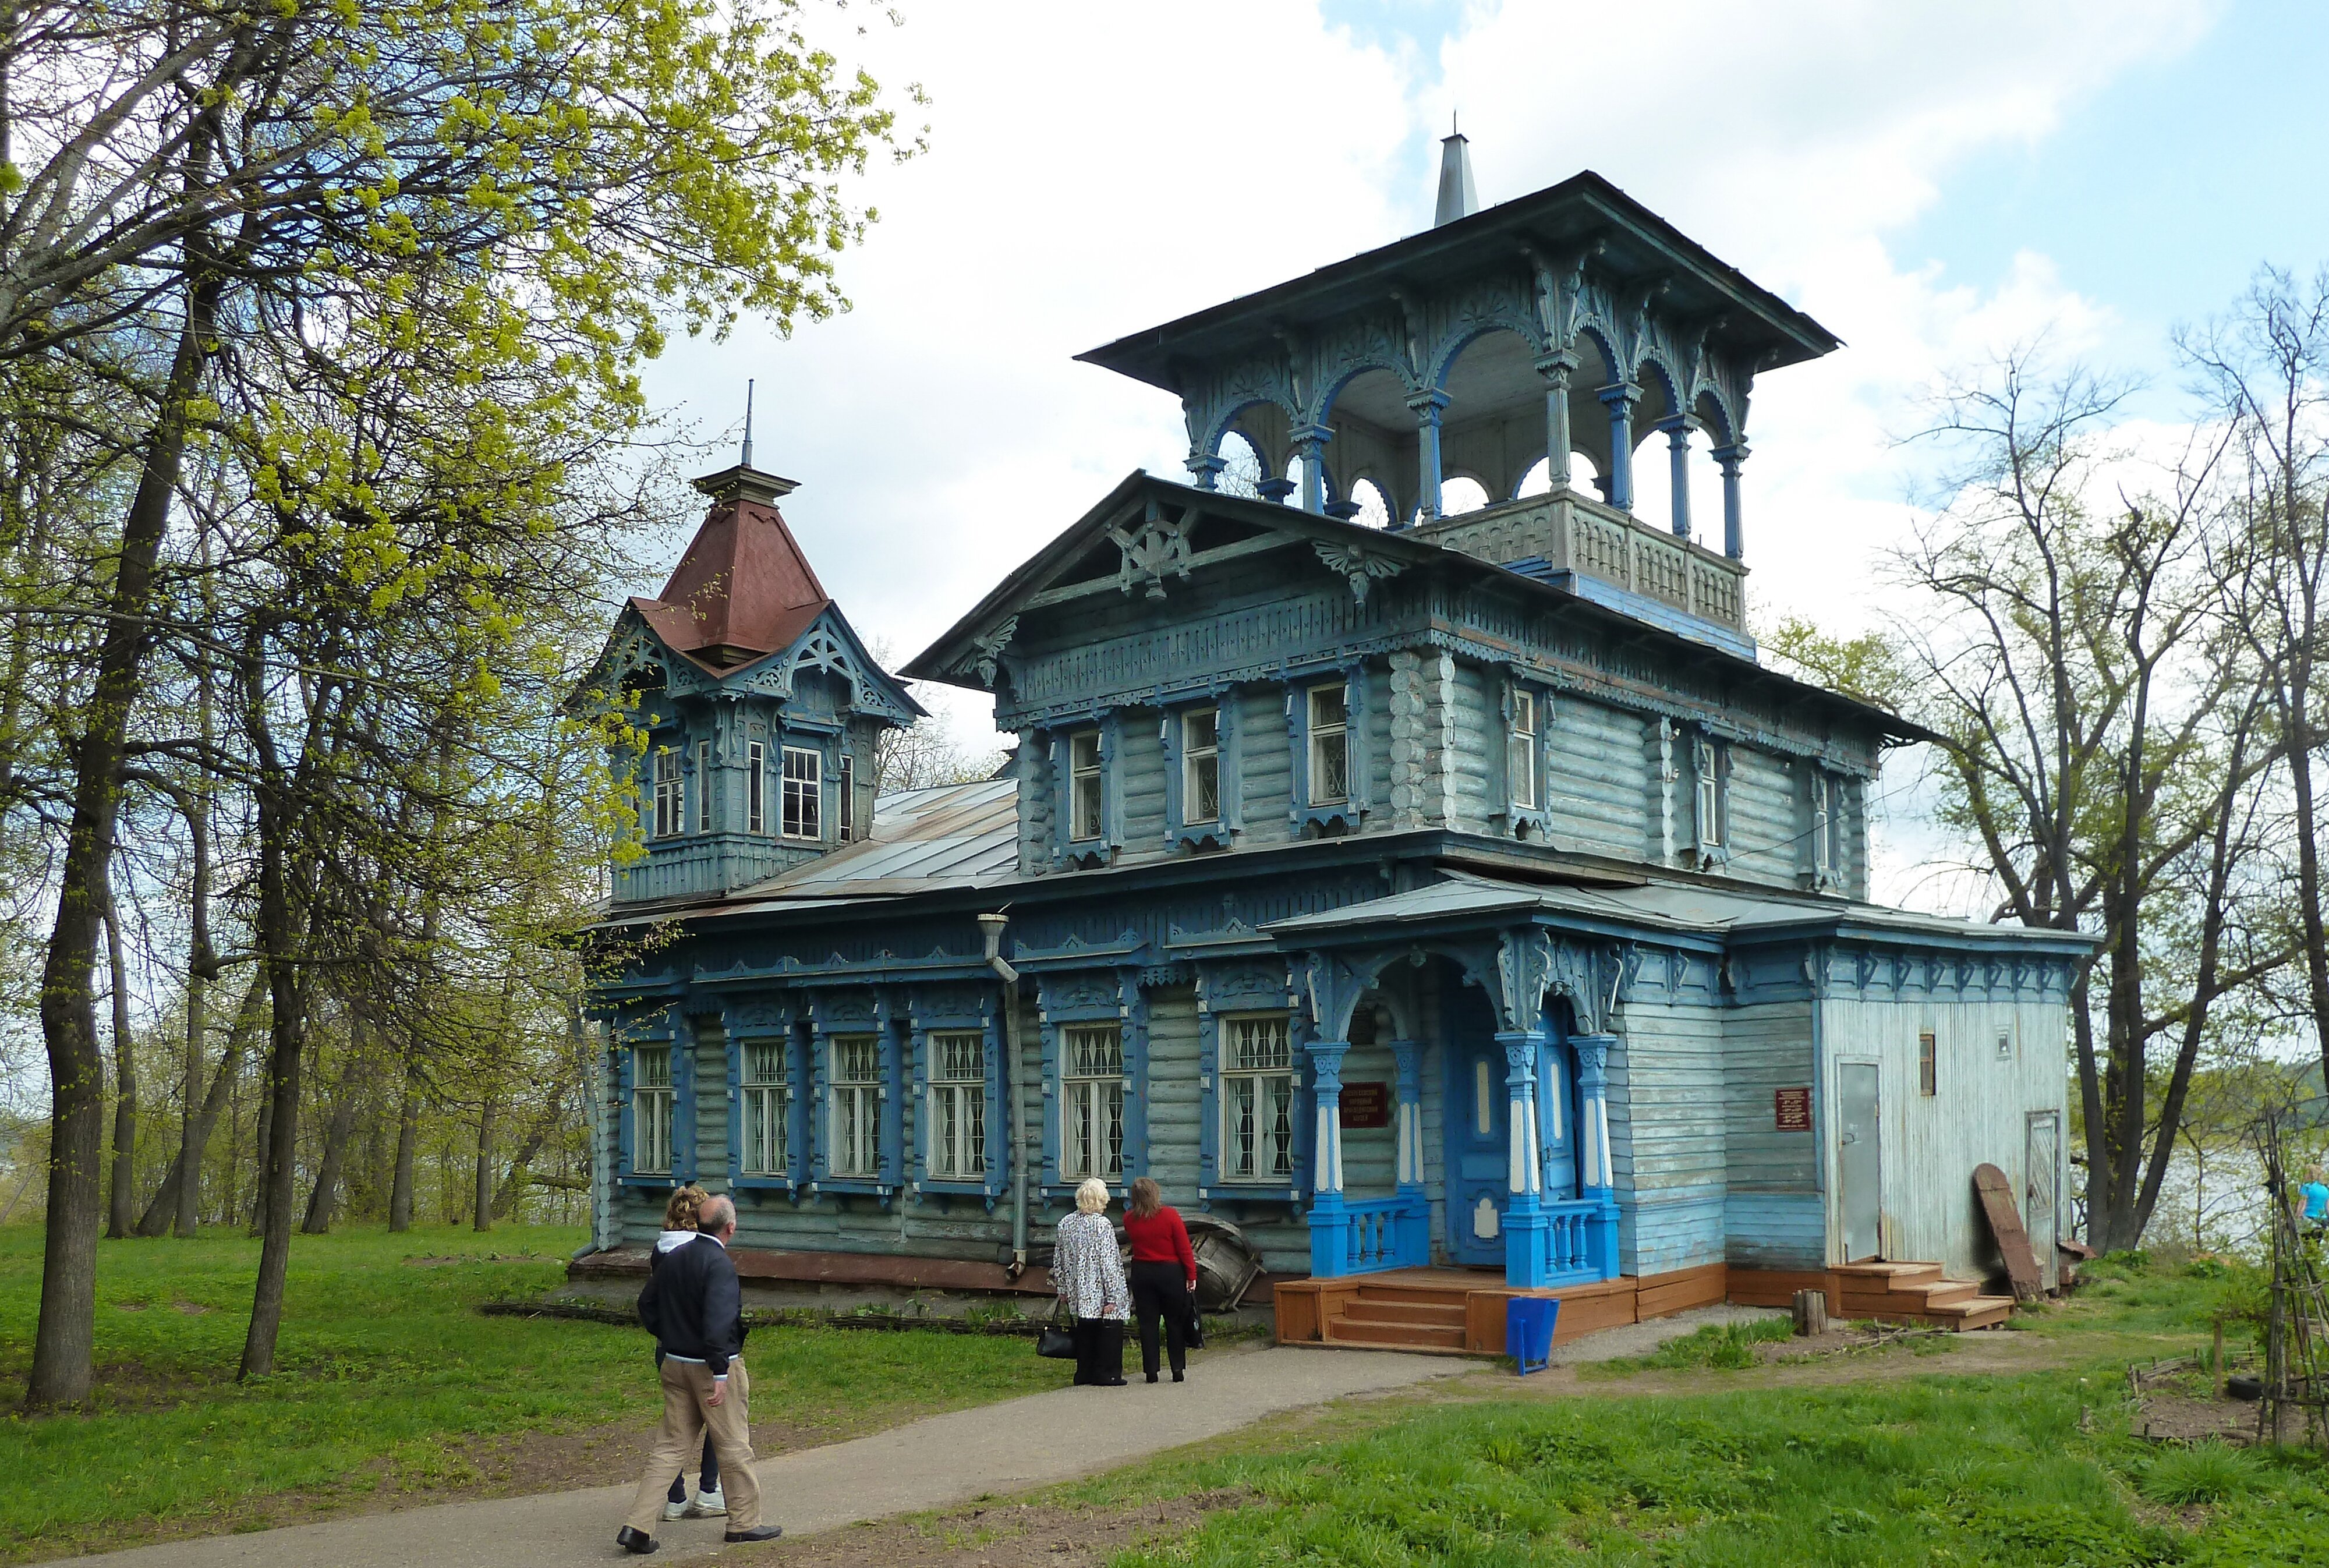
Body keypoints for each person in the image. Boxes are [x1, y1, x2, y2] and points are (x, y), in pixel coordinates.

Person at [618, 1194, 781, 1554]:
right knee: (735, 1445)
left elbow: (646, 1304)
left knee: (670, 1448)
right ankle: (743, 1524)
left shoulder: (676, 1257)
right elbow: (718, 1322)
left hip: (675, 1363)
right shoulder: (718, 1264)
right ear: (731, 1228)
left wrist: (673, 1336)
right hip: (711, 1369)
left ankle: (637, 1527)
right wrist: (720, 1371)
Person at [652, 1186, 723, 1523]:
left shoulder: (660, 1251)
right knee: (718, 1419)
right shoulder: (704, 1255)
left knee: (676, 1425)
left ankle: (674, 1497)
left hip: (669, 1347)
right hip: (702, 1350)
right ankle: (709, 1490)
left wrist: (662, 1333)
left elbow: (648, 1302)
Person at [1053, 1177, 1130, 1387]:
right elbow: (1110, 1262)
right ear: (1101, 1200)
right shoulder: (1102, 1225)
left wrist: (1062, 1288)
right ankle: (1107, 1374)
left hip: (1077, 1288)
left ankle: (1084, 1372)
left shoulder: (1066, 1223)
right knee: (1107, 1331)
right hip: (1099, 1289)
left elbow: (1059, 1259)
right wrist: (1114, 1296)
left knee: (1084, 1330)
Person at [1122, 1177, 1198, 1384]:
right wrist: (1191, 1275)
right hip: (1170, 1272)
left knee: (1148, 1323)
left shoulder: (1129, 1219)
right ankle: (1177, 1369)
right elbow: (1184, 1249)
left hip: (1142, 1272)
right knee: (1174, 1321)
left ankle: (1151, 1372)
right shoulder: (1170, 1216)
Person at [2302, 1166, 2329, 1238]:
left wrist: (2298, 1216)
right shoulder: (2326, 1189)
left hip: (2309, 1218)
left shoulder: (2307, 1187)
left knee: (2305, 1243)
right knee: (2315, 1245)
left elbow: (2302, 1205)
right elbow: (2327, 1207)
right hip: (2323, 1219)